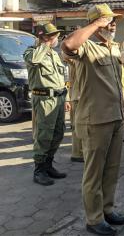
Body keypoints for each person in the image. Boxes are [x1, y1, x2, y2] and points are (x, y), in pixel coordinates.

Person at [62, 4, 124, 236]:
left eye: (113, 20)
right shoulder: (86, 47)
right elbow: (68, 45)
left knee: (111, 170)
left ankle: (107, 210)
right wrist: (94, 24)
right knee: (94, 173)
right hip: (95, 121)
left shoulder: (112, 49)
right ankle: (94, 219)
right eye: (108, 20)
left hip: (115, 118)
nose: (113, 23)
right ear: (96, 22)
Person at [24, 23, 67, 186]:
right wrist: (45, 44)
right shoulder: (31, 51)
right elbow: (34, 60)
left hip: (59, 98)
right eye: (54, 36)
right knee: (44, 135)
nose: (57, 38)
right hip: (43, 100)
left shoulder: (53, 54)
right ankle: (39, 170)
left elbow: (62, 76)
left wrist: (66, 99)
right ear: (44, 37)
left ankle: (48, 165)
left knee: (58, 133)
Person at [64, 56, 84, 163]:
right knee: (78, 126)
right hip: (78, 96)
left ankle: (79, 152)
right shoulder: (74, 59)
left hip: (77, 95)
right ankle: (78, 153)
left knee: (78, 125)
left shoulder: (74, 59)